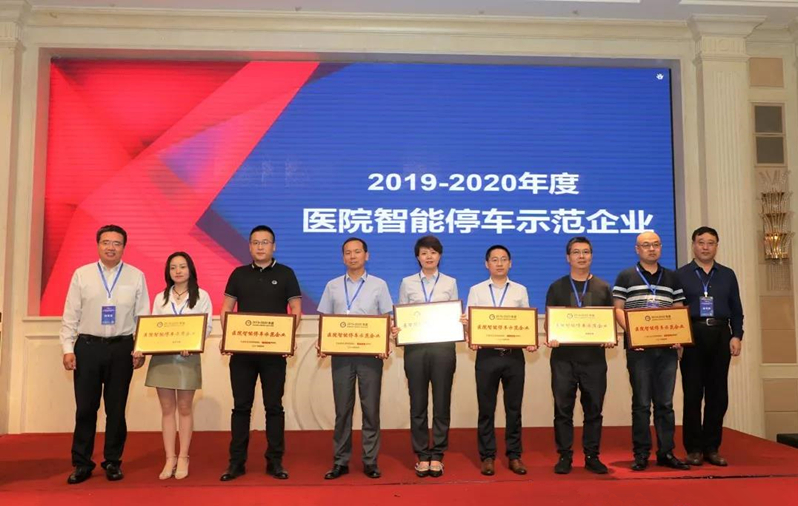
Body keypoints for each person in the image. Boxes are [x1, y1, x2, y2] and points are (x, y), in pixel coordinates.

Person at [59, 224, 149, 484]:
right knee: (85, 409)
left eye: (117, 243)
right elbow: (71, 314)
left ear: (124, 247)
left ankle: (112, 461)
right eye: (106, 242)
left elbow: (142, 315)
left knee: (116, 409)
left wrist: (140, 348)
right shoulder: (82, 274)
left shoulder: (136, 276)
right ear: (98, 245)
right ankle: (82, 463)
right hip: (87, 348)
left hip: (122, 348)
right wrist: (67, 349)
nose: (111, 247)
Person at [219, 225, 302, 482]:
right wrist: (228, 336)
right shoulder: (238, 274)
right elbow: (226, 308)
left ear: (273, 246)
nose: (260, 246)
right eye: (255, 242)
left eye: (265, 242)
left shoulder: (286, 273)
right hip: (242, 353)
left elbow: (296, 309)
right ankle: (236, 463)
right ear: (249, 246)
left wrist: (287, 339)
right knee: (241, 407)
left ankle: (275, 461)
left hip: (274, 354)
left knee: (274, 407)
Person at [317, 237, 394, 480]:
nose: (353, 256)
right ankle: (340, 461)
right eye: (348, 252)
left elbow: (386, 318)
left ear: (366, 255)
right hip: (341, 355)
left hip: (370, 356)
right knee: (343, 410)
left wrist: (384, 343)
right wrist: (322, 342)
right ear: (343, 257)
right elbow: (325, 319)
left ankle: (370, 461)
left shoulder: (379, 285)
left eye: (357, 252)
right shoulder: (332, 286)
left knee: (371, 409)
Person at [612, 231, 690, 471]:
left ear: (661, 247)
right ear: (637, 249)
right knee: (642, 404)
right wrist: (634, 334)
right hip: (639, 349)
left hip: (667, 350)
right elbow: (617, 309)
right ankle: (641, 454)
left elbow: (678, 308)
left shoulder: (672, 277)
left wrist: (678, 335)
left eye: (656, 244)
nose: (651, 249)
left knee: (665, 403)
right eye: (646, 245)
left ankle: (666, 452)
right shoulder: (626, 275)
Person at [135, 252, 213, 480]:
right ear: (168, 272)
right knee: (167, 409)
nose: (178, 271)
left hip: (188, 358)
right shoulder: (161, 297)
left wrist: (193, 344)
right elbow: (151, 327)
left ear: (191, 270)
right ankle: (170, 458)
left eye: (182, 266)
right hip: (163, 358)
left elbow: (206, 326)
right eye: (173, 267)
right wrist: (141, 346)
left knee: (185, 408)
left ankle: (184, 457)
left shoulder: (202, 296)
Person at [464, 245, 537, 476]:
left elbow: (526, 322)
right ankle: (487, 456)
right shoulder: (476, 290)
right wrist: (471, 336)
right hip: (487, 356)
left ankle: (514, 455)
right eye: (494, 259)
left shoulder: (520, 290)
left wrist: (530, 340)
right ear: (486, 264)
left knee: (514, 409)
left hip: (514, 356)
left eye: (504, 259)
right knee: (486, 408)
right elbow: (470, 321)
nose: (499, 263)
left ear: (510, 263)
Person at [544, 237, 614, 475]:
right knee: (562, 409)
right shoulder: (557, 287)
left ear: (591, 256)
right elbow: (549, 322)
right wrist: (551, 336)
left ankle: (592, 456)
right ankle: (564, 455)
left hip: (594, 359)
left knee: (594, 409)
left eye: (586, 252)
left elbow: (609, 321)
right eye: (576, 252)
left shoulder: (603, 287)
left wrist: (609, 336)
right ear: (568, 257)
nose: (581, 256)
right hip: (563, 359)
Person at [677, 227, 744, 467]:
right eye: (701, 242)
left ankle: (712, 447)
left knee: (718, 394)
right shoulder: (680, 275)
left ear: (717, 246)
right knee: (693, 394)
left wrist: (737, 335)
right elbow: (675, 310)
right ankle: (694, 449)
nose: (705, 247)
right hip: (692, 335)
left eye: (710, 243)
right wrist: (678, 338)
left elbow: (736, 309)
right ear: (693, 245)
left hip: (720, 334)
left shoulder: (727, 274)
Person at [396, 235, 458, 478]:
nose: (429, 257)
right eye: (424, 253)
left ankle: (438, 454)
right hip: (416, 350)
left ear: (439, 256)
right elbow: (402, 313)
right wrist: (398, 329)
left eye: (433, 252)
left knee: (442, 402)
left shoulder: (450, 282)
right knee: (418, 403)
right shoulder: (407, 283)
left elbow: (454, 314)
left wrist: (461, 321)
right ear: (418, 257)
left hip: (443, 348)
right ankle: (422, 454)